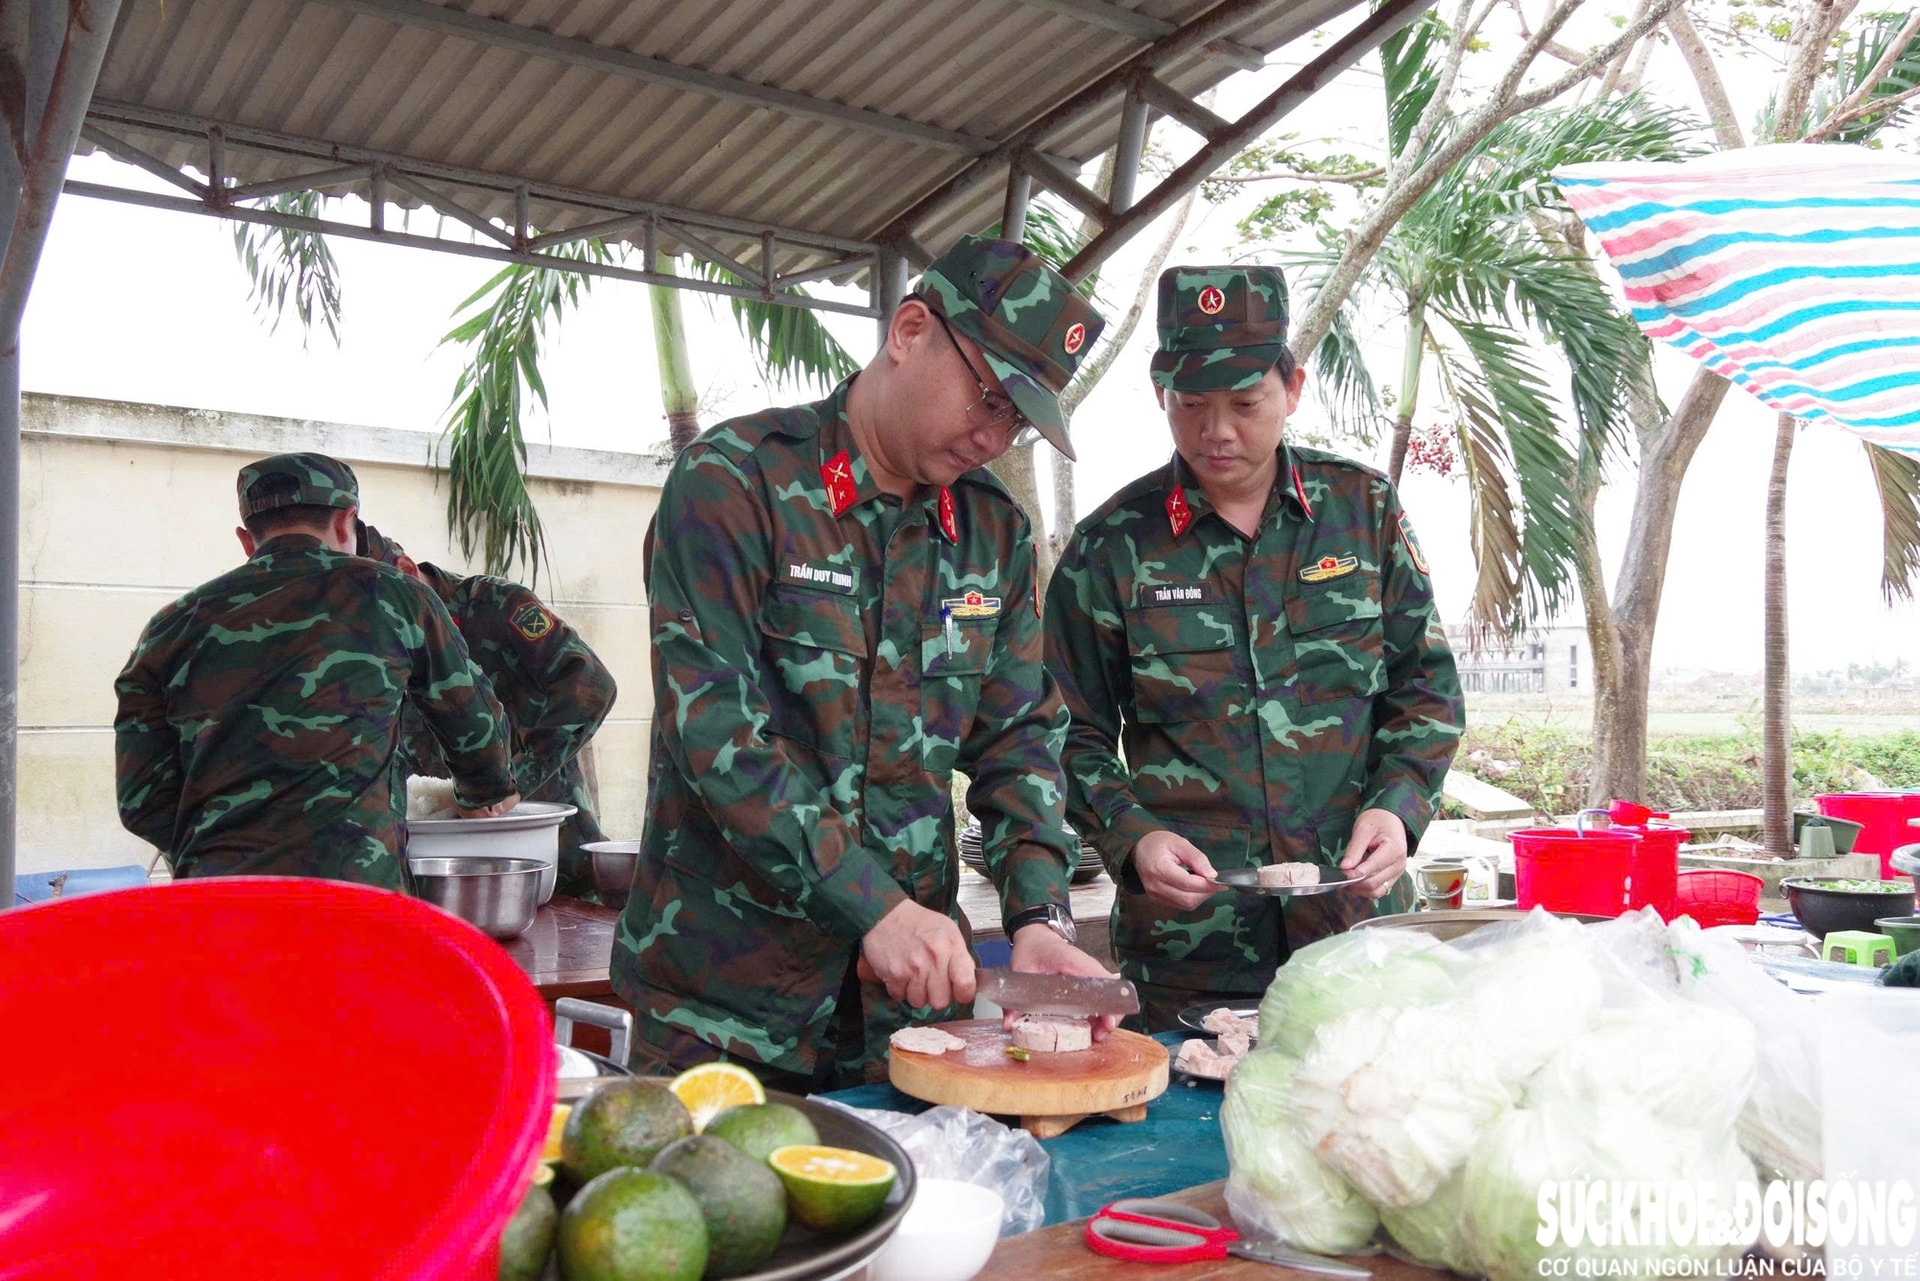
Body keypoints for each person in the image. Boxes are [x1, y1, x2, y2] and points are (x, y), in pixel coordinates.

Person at [614, 235, 1119, 1091]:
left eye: (1017, 421)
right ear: (910, 329)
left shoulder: (993, 533)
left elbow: (1020, 742)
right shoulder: (738, 485)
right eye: (988, 397)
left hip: (907, 1025)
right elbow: (716, 734)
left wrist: (1040, 916)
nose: (992, 436)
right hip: (723, 1013)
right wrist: (872, 903)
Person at [1042, 266, 1465, 1032]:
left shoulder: (1362, 512)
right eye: (1192, 405)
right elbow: (1066, 730)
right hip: (1192, 954)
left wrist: (1399, 811)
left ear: (1293, 387)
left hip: (1359, 937)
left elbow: (1425, 689)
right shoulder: (1111, 547)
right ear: (1160, 395)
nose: (1218, 431)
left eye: (1245, 402)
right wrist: (1130, 834)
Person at [114, 452, 520, 886]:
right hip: (358, 894)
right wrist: (484, 792)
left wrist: (212, 853)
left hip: (219, 899)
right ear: (347, 522)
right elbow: (475, 729)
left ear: (247, 539)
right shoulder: (397, 596)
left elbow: (141, 800)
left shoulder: (172, 624)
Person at [358, 522, 618, 899]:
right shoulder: (364, 647)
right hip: (438, 870)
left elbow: (592, 684)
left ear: (407, 572)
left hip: (550, 860)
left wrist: (512, 783)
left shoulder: (496, 605)